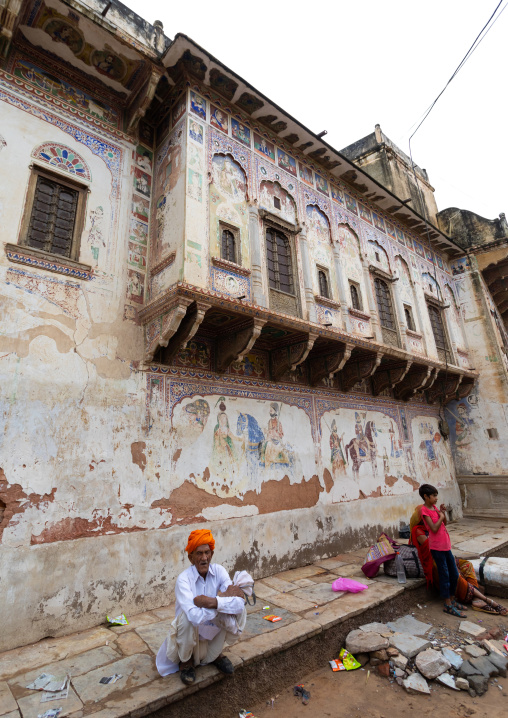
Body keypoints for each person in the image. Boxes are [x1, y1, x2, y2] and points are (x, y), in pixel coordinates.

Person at [156, 529, 247, 684]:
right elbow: (194, 616)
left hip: (211, 639)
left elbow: (239, 604)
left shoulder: (219, 571)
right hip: (189, 642)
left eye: (207, 553)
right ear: (191, 558)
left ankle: (215, 654)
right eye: (199, 554)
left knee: (238, 610)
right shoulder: (184, 580)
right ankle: (186, 662)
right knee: (186, 618)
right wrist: (223, 601)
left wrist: (212, 601)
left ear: (211, 554)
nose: (204, 558)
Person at [410, 487, 507, 616]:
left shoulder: (435, 508)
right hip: (436, 553)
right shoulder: (419, 525)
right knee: (446, 575)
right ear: (426, 497)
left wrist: (442, 514)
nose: (436, 498)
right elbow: (433, 528)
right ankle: (452, 603)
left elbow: (444, 524)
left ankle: (460, 597)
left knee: (457, 572)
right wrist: (441, 517)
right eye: (433, 496)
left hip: (445, 547)